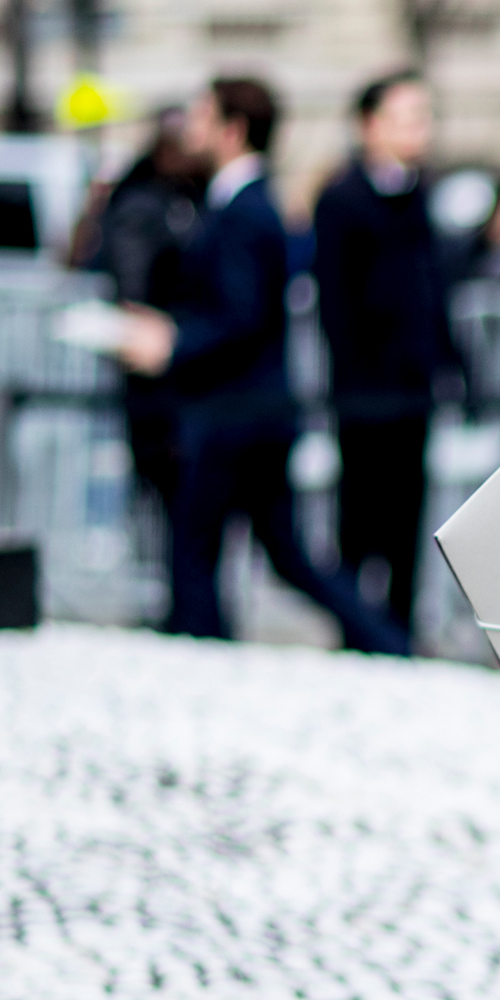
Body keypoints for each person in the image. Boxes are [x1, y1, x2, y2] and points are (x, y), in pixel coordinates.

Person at [118, 78, 409, 657]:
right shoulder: (240, 203)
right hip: (251, 411)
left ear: (232, 129)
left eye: (202, 117)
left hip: (235, 412)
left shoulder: (245, 210)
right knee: (285, 553)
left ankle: (206, 661)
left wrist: (171, 343)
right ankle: (386, 642)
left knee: (198, 552)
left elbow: (240, 315)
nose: (190, 129)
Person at [314, 69, 461, 636]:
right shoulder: (342, 199)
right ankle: (356, 631)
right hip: (364, 393)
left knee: (406, 519)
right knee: (359, 518)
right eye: (405, 118)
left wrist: (450, 362)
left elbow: (433, 289)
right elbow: (337, 304)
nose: (417, 131)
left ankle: (399, 630)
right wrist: (353, 386)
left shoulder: (421, 195)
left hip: (413, 389)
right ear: (369, 126)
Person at [81, 108, 203, 553]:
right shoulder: (145, 204)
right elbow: (134, 286)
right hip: (156, 370)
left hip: (175, 365)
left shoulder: (182, 199)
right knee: (164, 494)